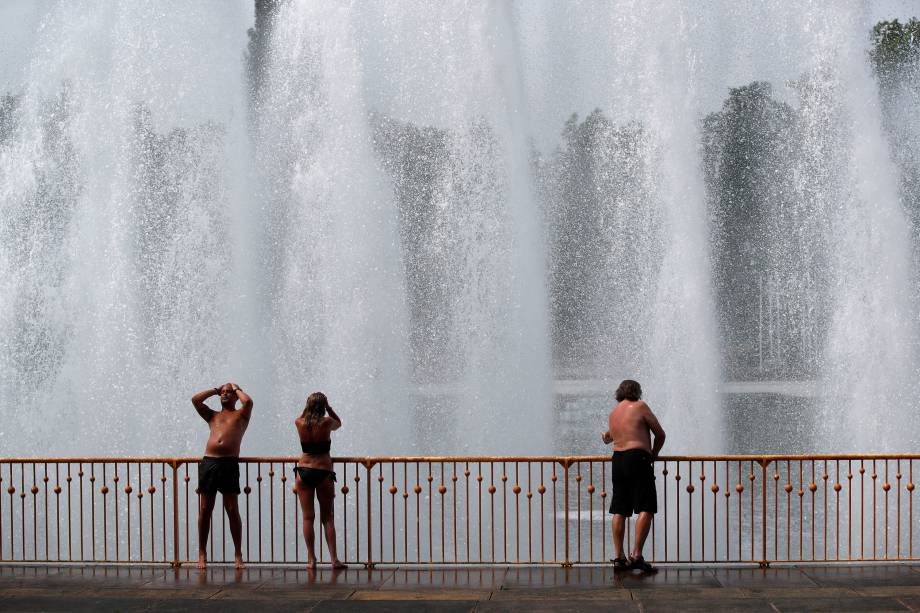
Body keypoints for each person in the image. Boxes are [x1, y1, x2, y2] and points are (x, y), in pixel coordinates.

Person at [601, 379, 665, 573]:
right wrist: (653, 454)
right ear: (637, 391)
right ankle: (636, 555)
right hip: (638, 458)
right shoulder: (640, 406)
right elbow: (660, 434)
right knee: (646, 506)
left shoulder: (614, 413)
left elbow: (609, 437)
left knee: (619, 508)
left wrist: (605, 436)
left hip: (618, 459)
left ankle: (619, 558)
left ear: (619, 393)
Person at [191, 382, 253, 569]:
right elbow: (195, 400)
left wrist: (236, 389)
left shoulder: (241, 415)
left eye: (229, 393)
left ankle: (238, 554)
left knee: (232, 509)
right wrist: (215, 390)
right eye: (223, 393)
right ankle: (202, 553)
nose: (225, 395)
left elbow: (248, 401)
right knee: (205, 509)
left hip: (228, 463)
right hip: (209, 462)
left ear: (235, 396)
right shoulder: (213, 415)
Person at [294, 392, 347, 570]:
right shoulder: (327, 422)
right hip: (323, 471)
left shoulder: (299, 423)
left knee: (308, 517)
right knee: (327, 518)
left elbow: (301, 416)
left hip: (304, 471)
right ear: (323, 406)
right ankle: (334, 560)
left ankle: (311, 559)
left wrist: (307, 407)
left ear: (308, 406)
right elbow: (339, 424)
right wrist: (329, 407)